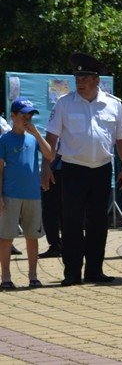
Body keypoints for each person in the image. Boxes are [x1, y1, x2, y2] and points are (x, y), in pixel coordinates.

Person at [44, 53, 122, 286]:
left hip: (102, 170)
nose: (79, 82)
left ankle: (95, 271)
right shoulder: (64, 103)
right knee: (71, 222)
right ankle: (72, 272)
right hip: (73, 170)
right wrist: (46, 166)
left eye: (83, 77)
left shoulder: (114, 104)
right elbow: (51, 138)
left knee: (98, 223)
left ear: (96, 79)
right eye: (77, 77)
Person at [0, 98, 55, 289]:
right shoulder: (4, 140)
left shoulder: (33, 138)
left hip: (33, 195)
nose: (27, 118)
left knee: (32, 236)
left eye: (30, 115)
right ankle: (5, 277)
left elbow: (50, 155)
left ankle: (33, 276)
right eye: (23, 115)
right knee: (6, 237)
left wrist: (38, 134)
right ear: (13, 116)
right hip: (10, 195)